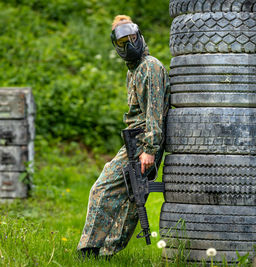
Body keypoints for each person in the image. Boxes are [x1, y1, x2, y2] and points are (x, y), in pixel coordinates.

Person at [77, 15, 171, 258]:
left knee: (104, 188)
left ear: (138, 35)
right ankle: (105, 252)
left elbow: (154, 112)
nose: (129, 44)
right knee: (131, 196)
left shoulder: (149, 67)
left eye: (131, 38)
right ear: (116, 45)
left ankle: (90, 249)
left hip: (143, 142)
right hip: (137, 141)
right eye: (122, 41)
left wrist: (149, 149)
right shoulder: (135, 71)